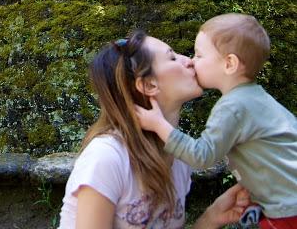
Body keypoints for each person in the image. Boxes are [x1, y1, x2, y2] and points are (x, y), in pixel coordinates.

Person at [58, 29, 251, 229]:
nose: (190, 61)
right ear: (149, 85)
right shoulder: (107, 158)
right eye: (173, 57)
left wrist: (213, 216)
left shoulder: (177, 156)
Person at [136, 14, 297, 229]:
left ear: (229, 63)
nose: (192, 61)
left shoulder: (233, 107)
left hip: (287, 211)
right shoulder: (257, 100)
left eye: (199, 55)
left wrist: (158, 124)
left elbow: (201, 156)